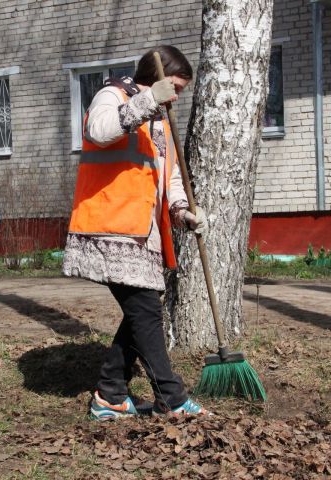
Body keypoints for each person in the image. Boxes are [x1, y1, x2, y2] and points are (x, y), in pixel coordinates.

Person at [63, 45, 209, 419]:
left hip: (143, 233)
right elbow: (98, 132)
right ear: (155, 78)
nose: (176, 96)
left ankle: (110, 394)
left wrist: (182, 211)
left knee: (141, 312)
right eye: (174, 86)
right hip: (109, 227)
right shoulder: (112, 94)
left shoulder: (161, 119)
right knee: (144, 310)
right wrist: (147, 101)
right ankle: (171, 398)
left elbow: (169, 175)